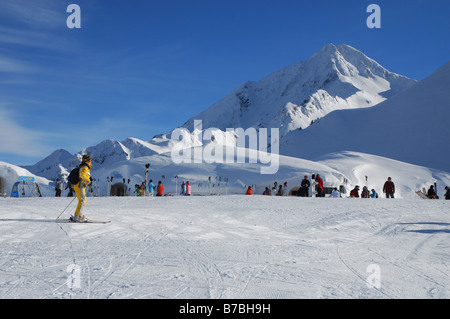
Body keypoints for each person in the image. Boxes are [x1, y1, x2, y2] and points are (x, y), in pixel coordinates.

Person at [71, 155, 92, 222]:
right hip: (80, 185)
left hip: (79, 185)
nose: (90, 161)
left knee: (83, 201)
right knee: (82, 201)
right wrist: (88, 180)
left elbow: (83, 175)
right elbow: (82, 175)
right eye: (89, 160)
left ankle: (78, 215)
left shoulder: (85, 167)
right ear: (85, 160)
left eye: (91, 160)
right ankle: (79, 217)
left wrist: (88, 178)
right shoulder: (85, 167)